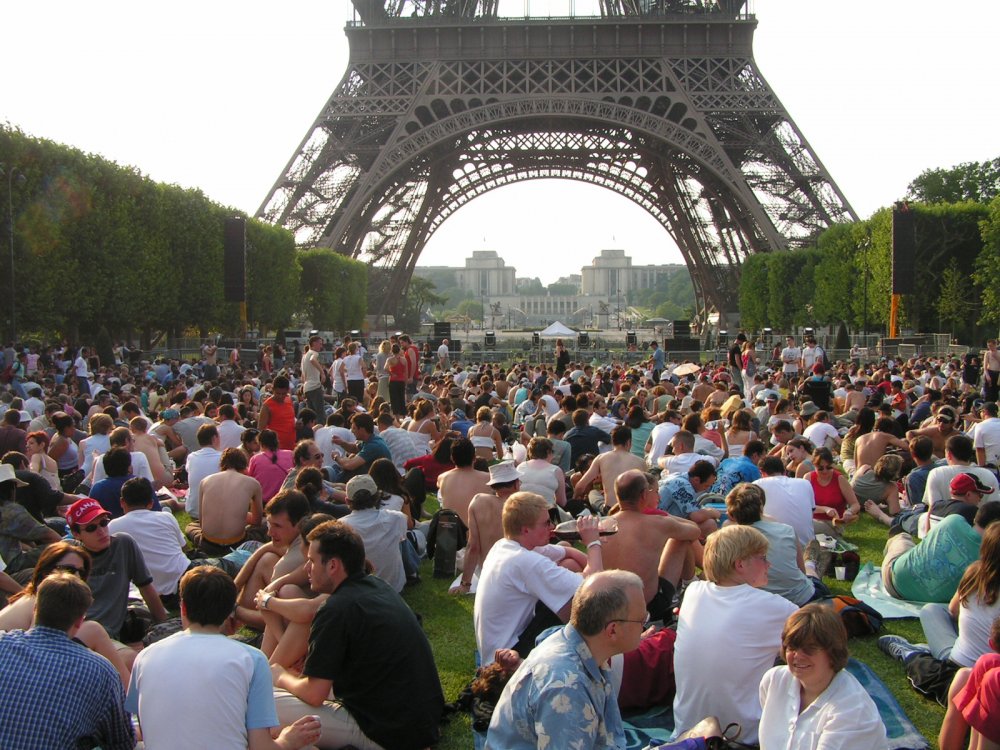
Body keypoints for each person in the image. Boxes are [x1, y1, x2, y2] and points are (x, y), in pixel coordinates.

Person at [272, 520, 445, 750]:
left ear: (333, 565)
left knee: (269, 701)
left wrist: (281, 675)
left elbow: (314, 694)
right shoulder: (377, 586)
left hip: (386, 734)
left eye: (312, 561)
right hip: (419, 722)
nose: (307, 569)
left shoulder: (336, 608)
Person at [125, 566, 321, 750]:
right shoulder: (252, 660)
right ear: (229, 612)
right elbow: (261, 747)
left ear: (183, 607)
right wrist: (288, 740)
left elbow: (145, 727)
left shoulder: (144, 657)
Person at [485, 570, 645, 750]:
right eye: (641, 620)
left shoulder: (577, 644)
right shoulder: (567, 688)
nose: (644, 625)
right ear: (612, 630)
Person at [671, 525, 798, 745]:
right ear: (740, 564)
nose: (769, 564)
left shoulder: (693, 592)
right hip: (742, 735)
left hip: (687, 732)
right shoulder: (776, 608)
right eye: (763, 558)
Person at [0, 572, 135, 750]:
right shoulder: (100, 670)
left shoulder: (3, 643)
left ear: (35, 609)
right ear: (80, 621)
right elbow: (122, 742)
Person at [475, 491, 604, 665]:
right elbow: (595, 588)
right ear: (526, 529)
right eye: (545, 523)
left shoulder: (505, 546)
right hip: (508, 657)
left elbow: (567, 551)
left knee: (569, 568)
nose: (551, 527)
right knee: (584, 606)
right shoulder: (526, 561)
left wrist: (581, 573)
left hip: (498, 650)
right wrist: (593, 543)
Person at [759, 604, 888, 749]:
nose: (798, 656)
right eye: (792, 647)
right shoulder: (774, 681)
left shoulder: (852, 711)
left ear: (833, 652)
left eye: (810, 649)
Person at [601, 469, 700, 620]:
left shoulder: (602, 525)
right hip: (650, 606)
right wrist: (665, 516)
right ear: (644, 495)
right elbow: (695, 531)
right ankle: (689, 584)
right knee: (680, 539)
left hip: (611, 605)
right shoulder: (658, 523)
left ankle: (690, 584)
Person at [66, 496, 168, 640]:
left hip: (111, 633)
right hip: (81, 634)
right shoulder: (71, 558)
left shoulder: (123, 544)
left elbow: (146, 586)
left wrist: (163, 625)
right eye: (91, 528)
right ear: (76, 534)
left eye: (103, 523)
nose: (101, 531)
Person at [725, 482, 827, 604]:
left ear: (731, 514)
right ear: (761, 507)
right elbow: (801, 572)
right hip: (802, 599)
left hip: (761, 603)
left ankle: (810, 560)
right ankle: (810, 561)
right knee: (809, 572)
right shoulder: (786, 530)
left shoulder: (728, 541)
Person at [882, 502, 1000, 604]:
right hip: (927, 600)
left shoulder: (954, 520)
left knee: (903, 539)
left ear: (976, 519)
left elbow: (927, 540)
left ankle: (898, 536)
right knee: (904, 540)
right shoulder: (989, 558)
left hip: (893, 578)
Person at [109, 477, 190, 600]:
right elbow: (185, 549)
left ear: (122, 502)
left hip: (143, 593)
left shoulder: (112, 527)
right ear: (151, 503)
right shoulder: (166, 517)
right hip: (184, 583)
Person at [339, 475, 408, 593]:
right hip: (394, 588)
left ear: (347, 501)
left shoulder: (340, 526)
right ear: (377, 497)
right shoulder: (397, 518)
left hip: (360, 589)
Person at [573, 425, 645, 510]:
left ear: (612, 441)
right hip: (633, 510)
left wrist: (574, 499)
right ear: (629, 442)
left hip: (611, 510)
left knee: (593, 493)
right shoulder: (641, 462)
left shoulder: (601, 458)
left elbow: (580, 486)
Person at [258, 375, 296, 451]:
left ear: (287, 391)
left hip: (291, 447)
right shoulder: (267, 406)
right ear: (273, 389)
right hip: (275, 450)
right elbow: (261, 429)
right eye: (278, 393)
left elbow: (290, 420)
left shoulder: (289, 400)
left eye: (283, 394)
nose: (281, 396)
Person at [301, 334, 328, 419]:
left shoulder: (304, 356)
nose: (321, 345)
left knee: (311, 415)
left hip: (307, 387)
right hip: (315, 386)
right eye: (320, 343)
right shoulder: (314, 353)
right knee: (320, 414)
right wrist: (322, 373)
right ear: (314, 343)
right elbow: (312, 360)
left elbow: (303, 375)